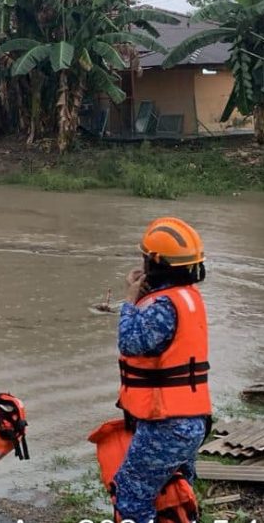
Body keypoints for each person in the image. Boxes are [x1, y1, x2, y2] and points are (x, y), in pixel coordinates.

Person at [113, 216, 211, 522]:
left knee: (130, 495)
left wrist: (129, 300)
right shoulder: (188, 298)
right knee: (176, 492)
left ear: (154, 263)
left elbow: (130, 342)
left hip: (167, 424)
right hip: (191, 420)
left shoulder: (162, 306)